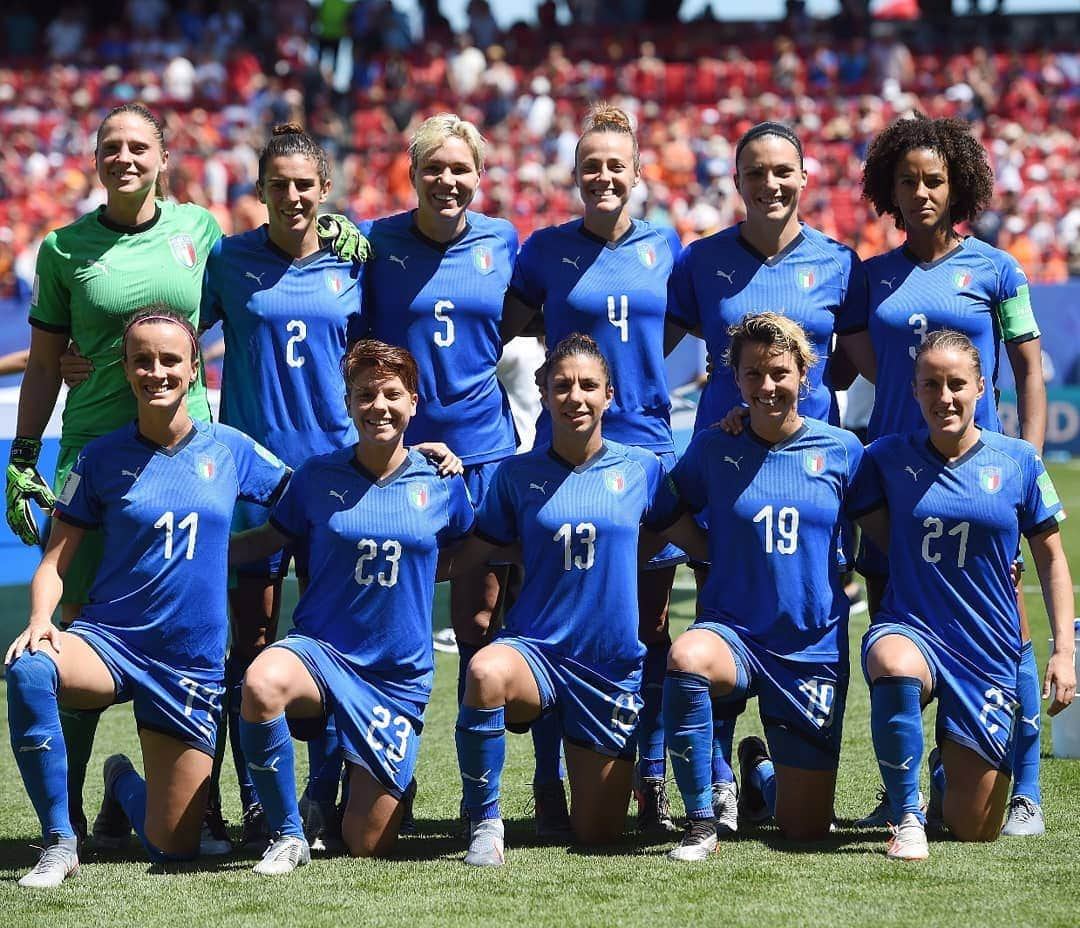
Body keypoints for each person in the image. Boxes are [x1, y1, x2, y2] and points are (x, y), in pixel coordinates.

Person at [15, 102, 363, 853]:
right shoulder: (75, 248)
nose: (126, 158)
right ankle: (72, 815)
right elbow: (78, 351)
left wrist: (343, 230)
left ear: (167, 157)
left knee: (304, 638)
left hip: (249, 470)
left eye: (140, 146)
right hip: (106, 458)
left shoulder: (206, 234)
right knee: (88, 629)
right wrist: (29, 440)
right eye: (112, 146)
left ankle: (282, 802)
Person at [5, 307, 289, 888]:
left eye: (168, 360)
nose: (154, 371)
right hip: (110, 644)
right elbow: (55, 560)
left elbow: (304, 504)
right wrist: (40, 618)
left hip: (188, 667)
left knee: (173, 848)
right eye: (141, 360)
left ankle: (117, 783)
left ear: (192, 370)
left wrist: (233, 550)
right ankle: (60, 841)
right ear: (126, 369)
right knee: (32, 671)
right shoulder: (99, 457)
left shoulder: (230, 448)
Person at [664, 121, 874, 823]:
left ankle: (765, 772)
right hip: (725, 467)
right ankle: (717, 779)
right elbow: (650, 345)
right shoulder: (700, 262)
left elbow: (856, 359)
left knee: (801, 601)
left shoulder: (841, 263)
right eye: (755, 172)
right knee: (715, 619)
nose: (770, 184)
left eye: (782, 171)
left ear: (805, 178)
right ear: (737, 181)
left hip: (808, 473)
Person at [855, 113, 1050, 836]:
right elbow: (843, 365)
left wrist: (1025, 458)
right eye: (907, 181)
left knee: (1009, 631)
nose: (921, 191)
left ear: (958, 183)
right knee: (893, 635)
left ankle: (1025, 787)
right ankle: (899, 786)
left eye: (933, 179)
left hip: (980, 488)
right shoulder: (869, 274)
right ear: (889, 190)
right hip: (893, 490)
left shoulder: (999, 269)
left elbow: (1029, 367)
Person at [448, 333, 706, 867]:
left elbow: (689, 536)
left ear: (609, 395)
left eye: (589, 386)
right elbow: (478, 549)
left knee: (597, 835)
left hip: (608, 667)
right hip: (535, 654)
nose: (576, 397)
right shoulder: (515, 475)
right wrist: (413, 565)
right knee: (484, 672)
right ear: (542, 393)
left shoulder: (642, 468)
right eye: (562, 386)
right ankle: (484, 821)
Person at [500, 103, 686, 834]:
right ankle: (547, 781)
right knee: (553, 617)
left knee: (649, 624)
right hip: (563, 458)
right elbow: (491, 335)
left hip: (647, 451)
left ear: (638, 175)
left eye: (617, 164)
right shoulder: (544, 251)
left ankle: (652, 773)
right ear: (575, 175)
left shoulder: (669, 250)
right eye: (591, 165)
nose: (604, 176)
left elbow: (699, 333)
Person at [227, 340, 473, 875]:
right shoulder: (316, 476)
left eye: (391, 394)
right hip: (322, 654)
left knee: (365, 843)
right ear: (348, 402)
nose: (377, 406)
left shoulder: (443, 483)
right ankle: (288, 834)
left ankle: (388, 785)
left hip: (394, 675)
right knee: (262, 681)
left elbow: (467, 551)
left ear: (413, 401)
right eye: (365, 395)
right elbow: (270, 538)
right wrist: (200, 553)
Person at [658, 313, 885, 860]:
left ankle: (759, 773)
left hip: (809, 650)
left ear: (805, 375)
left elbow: (883, 535)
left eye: (780, 372)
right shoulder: (714, 447)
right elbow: (666, 511)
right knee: (686, 659)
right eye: (753, 373)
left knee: (804, 829)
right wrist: (713, 549)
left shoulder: (842, 451)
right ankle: (702, 821)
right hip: (731, 637)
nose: (767, 386)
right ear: (733, 379)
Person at [199, 123, 367, 852]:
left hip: (334, 485)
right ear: (259, 190)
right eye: (280, 184)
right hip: (248, 488)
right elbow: (169, 337)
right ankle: (257, 800)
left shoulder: (355, 263)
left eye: (306, 185)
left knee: (331, 641)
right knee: (252, 642)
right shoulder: (229, 261)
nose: (293, 195)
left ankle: (323, 797)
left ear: (325, 191)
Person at [359, 113, 522, 821]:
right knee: (383, 621)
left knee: (482, 620)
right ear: (413, 172)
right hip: (403, 457)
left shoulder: (504, 241)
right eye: (434, 168)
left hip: (485, 453)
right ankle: (376, 775)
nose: (447, 181)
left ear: (478, 176)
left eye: (460, 169)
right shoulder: (378, 243)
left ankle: (477, 796)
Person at [860, 329, 1074, 860]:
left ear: (982, 386)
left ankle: (942, 774)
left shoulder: (1020, 459)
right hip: (912, 631)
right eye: (930, 385)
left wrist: (1065, 652)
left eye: (956, 383)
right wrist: (744, 422)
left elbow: (1051, 556)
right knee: (892, 662)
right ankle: (905, 816)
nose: (944, 397)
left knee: (975, 828)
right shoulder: (884, 457)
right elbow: (803, 453)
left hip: (985, 653)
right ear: (914, 392)